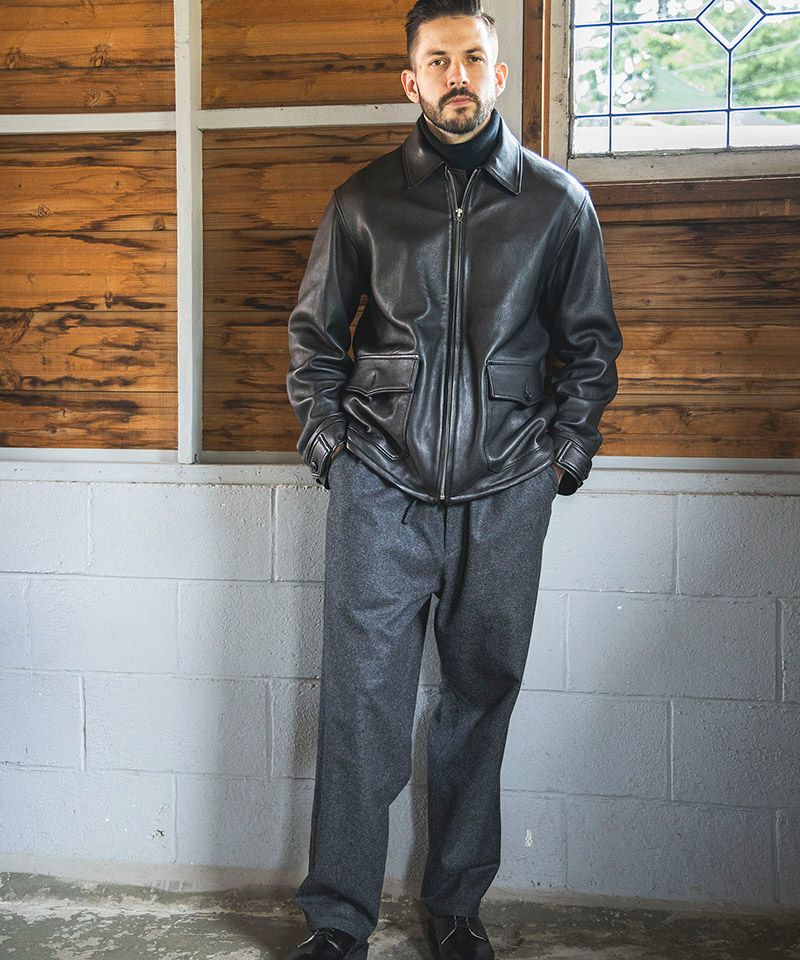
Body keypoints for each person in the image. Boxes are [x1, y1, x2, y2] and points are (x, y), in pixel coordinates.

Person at [284, 2, 622, 957]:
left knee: (480, 700)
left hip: (506, 491)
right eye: (438, 60)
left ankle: (459, 910)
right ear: (413, 81)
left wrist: (564, 457)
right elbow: (314, 340)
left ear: (498, 74)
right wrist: (329, 446)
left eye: (473, 56)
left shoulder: (558, 204)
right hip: (379, 489)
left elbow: (591, 350)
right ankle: (338, 922)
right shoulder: (363, 201)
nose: (458, 74)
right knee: (361, 709)